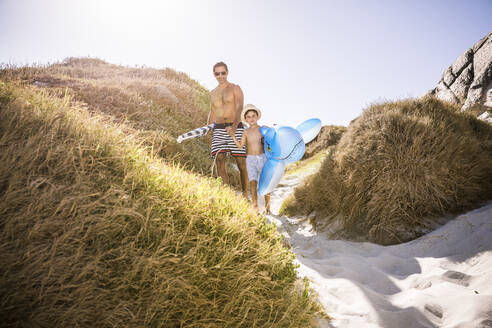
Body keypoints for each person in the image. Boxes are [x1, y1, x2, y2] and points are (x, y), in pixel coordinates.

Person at [207, 62, 249, 197]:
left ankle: (244, 195)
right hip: (218, 128)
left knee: (241, 162)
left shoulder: (235, 88)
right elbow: (212, 111)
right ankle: (226, 195)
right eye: (217, 73)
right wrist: (209, 127)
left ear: (227, 72)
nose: (220, 76)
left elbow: (239, 108)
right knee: (219, 160)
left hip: (235, 126)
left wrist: (235, 126)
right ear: (214, 74)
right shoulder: (213, 93)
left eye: (223, 73)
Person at [227, 104, 271, 214]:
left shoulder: (262, 129)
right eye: (249, 117)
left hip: (263, 158)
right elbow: (240, 146)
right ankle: (255, 208)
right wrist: (232, 136)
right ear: (246, 119)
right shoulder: (245, 132)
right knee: (253, 183)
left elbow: (270, 143)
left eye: (253, 116)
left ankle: (268, 207)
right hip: (250, 159)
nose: (251, 118)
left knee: (266, 183)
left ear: (257, 117)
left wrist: (270, 132)